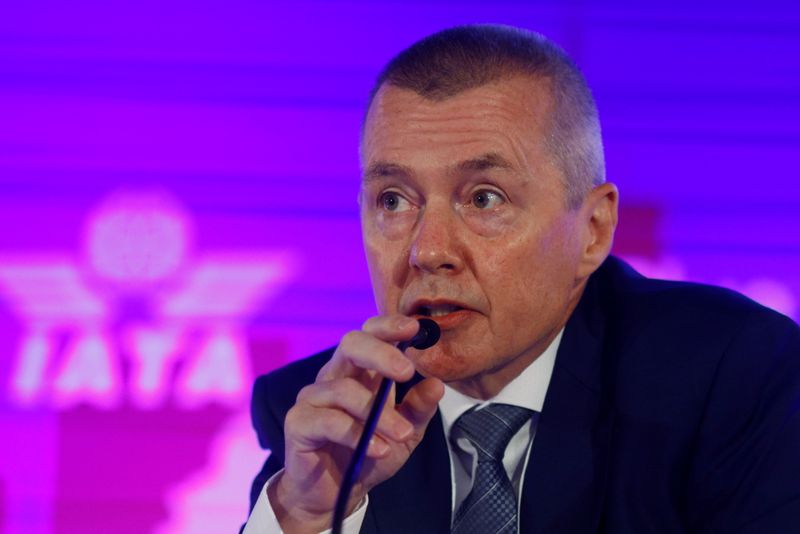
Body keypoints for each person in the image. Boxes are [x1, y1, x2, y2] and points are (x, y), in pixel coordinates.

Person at [243, 24, 800, 533]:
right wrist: (305, 516)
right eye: (393, 200)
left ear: (593, 230)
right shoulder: (331, 419)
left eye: (484, 198)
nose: (427, 250)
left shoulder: (735, 378)